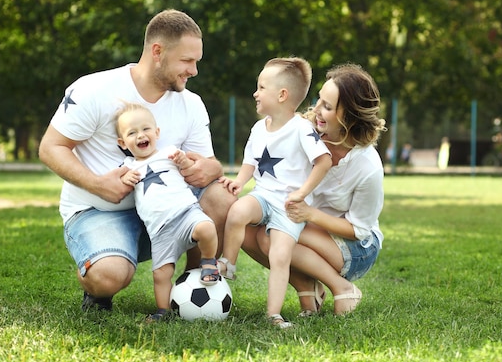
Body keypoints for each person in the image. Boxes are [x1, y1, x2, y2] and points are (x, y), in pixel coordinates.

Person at [38, 9, 235, 312]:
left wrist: (213, 167)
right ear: (157, 52)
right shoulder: (93, 89)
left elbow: (207, 166)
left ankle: (192, 287)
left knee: (221, 196)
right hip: (100, 211)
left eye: (197, 61)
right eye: (187, 61)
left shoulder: (192, 104)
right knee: (108, 277)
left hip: (167, 212)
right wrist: (98, 184)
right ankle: (98, 276)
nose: (194, 70)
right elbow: (51, 147)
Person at [241, 63, 386, 317]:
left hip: (356, 247)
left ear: (349, 117)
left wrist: (310, 214)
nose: (316, 110)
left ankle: (342, 287)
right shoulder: (305, 133)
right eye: (319, 100)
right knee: (250, 229)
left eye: (328, 107)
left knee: (275, 233)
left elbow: (359, 230)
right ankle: (306, 287)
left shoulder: (367, 165)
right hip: (309, 228)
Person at [217, 57, 332, 328]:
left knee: (279, 257)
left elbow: (323, 161)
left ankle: (274, 314)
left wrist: (302, 193)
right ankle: (228, 263)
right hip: (264, 195)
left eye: (261, 87)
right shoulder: (259, 128)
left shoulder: (302, 129)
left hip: (288, 207)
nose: (255, 93)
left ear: (282, 95)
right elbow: (250, 161)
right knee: (237, 211)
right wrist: (239, 182)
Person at [115, 102, 220, 322]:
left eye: (145, 129)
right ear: (123, 143)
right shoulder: (128, 165)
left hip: (186, 213)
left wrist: (184, 163)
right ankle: (163, 310)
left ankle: (208, 261)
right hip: (160, 231)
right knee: (161, 274)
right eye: (132, 133)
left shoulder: (170, 153)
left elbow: (190, 169)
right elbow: (118, 184)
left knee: (207, 228)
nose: (140, 135)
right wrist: (125, 179)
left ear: (157, 132)